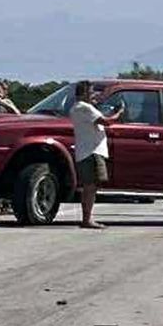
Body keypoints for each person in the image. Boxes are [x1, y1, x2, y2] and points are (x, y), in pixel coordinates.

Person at [69, 81, 124, 229]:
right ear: (84, 93)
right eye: (92, 92)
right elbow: (105, 121)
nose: (94, 95)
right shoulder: (84, 108)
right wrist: (119, 113)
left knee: (90, 186)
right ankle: (87, 219)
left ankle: (87, 218)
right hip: (91, 152)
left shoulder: (78, 108)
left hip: (87, 151)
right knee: (90, 186)